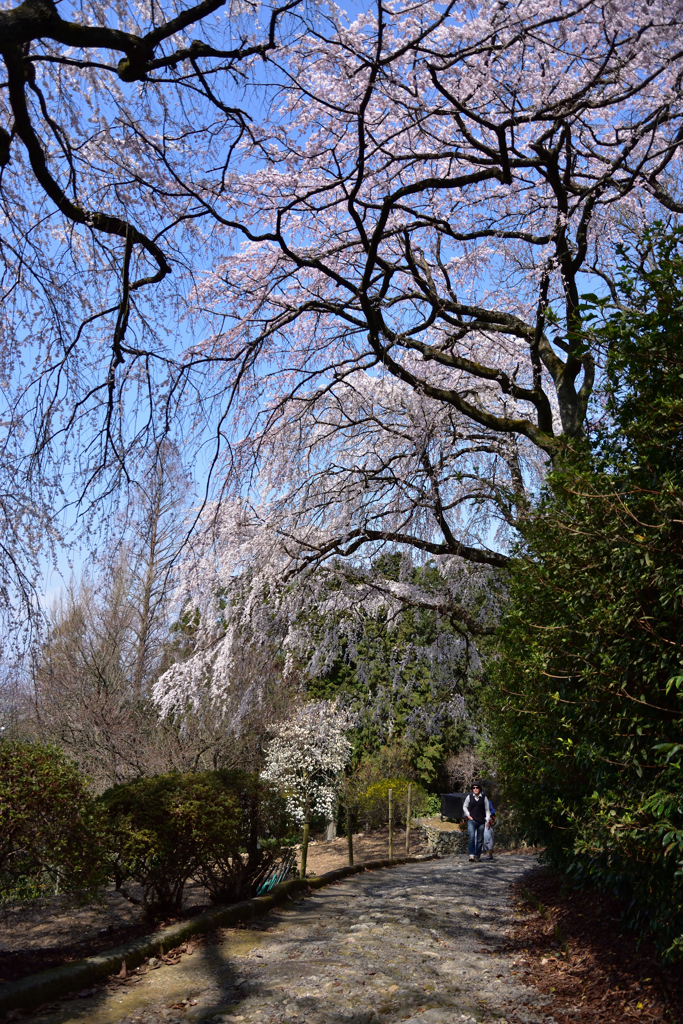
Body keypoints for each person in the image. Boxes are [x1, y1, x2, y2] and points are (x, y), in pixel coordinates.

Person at [462, 782, 492, 862]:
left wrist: (488, 820)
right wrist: (468, 815)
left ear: (479, 789)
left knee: (480, 839)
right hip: (472, 821)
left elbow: (487, 810)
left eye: (477, 787)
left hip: (481, 822)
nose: (475, 789)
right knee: (471, 837)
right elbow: (464, 806)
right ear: (472, 789)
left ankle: (477, 855)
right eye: (474, 788)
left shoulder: (484, 798)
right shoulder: (469, 797)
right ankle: (471, 855)